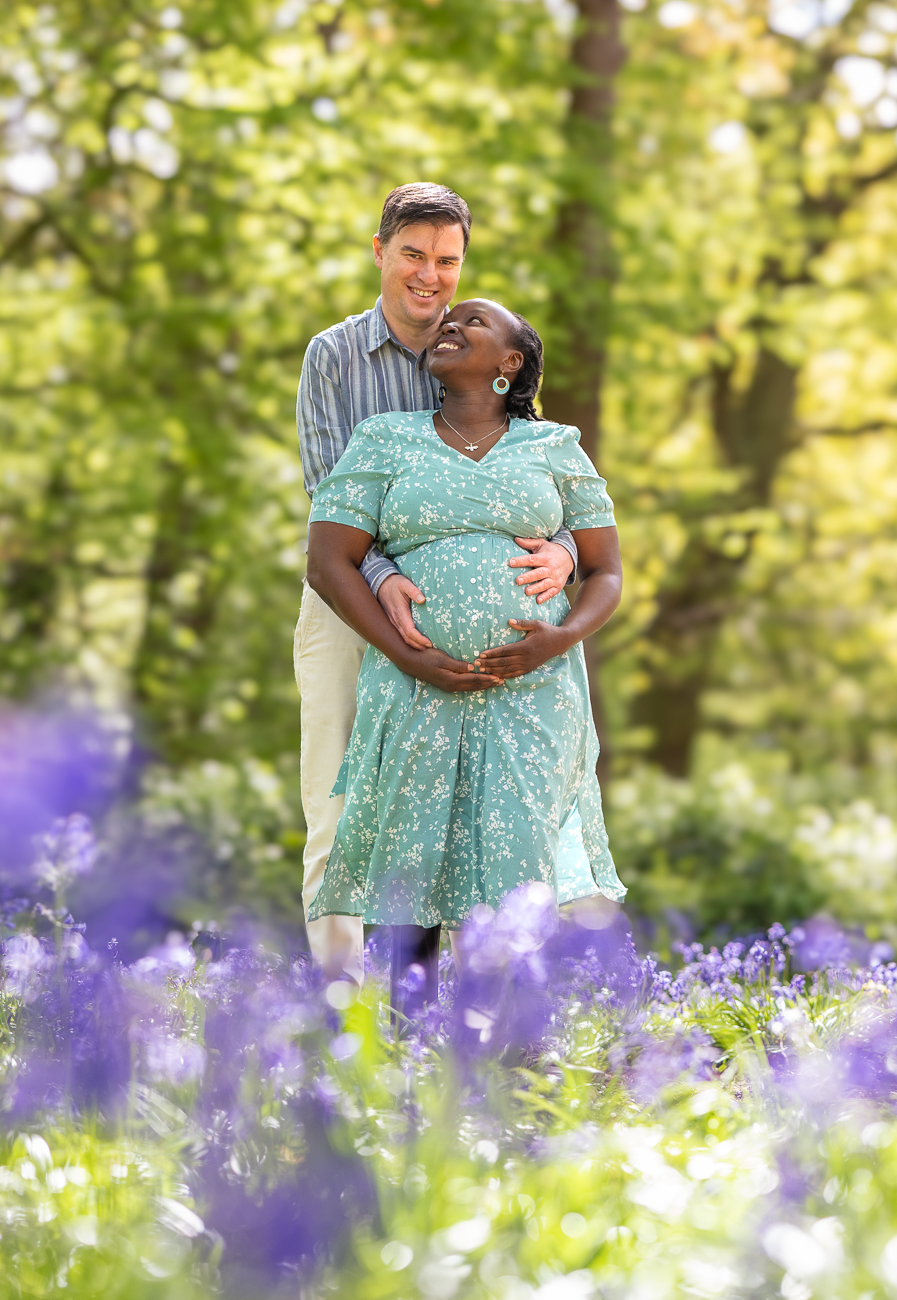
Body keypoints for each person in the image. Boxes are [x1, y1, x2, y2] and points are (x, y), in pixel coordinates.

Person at [305, 297, 626, 1011]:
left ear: (510, 363)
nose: (450, 323)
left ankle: (500, 1053)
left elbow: (606, 571)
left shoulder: (555, 447)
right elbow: (328, 562)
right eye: (448, 322)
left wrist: (560, 637)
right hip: (414, 682)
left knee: (512, 855)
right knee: (408, 853)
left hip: (531, 689)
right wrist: (405, 656)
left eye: (472, 323)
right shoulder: (385, 438)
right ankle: (408, 1045)